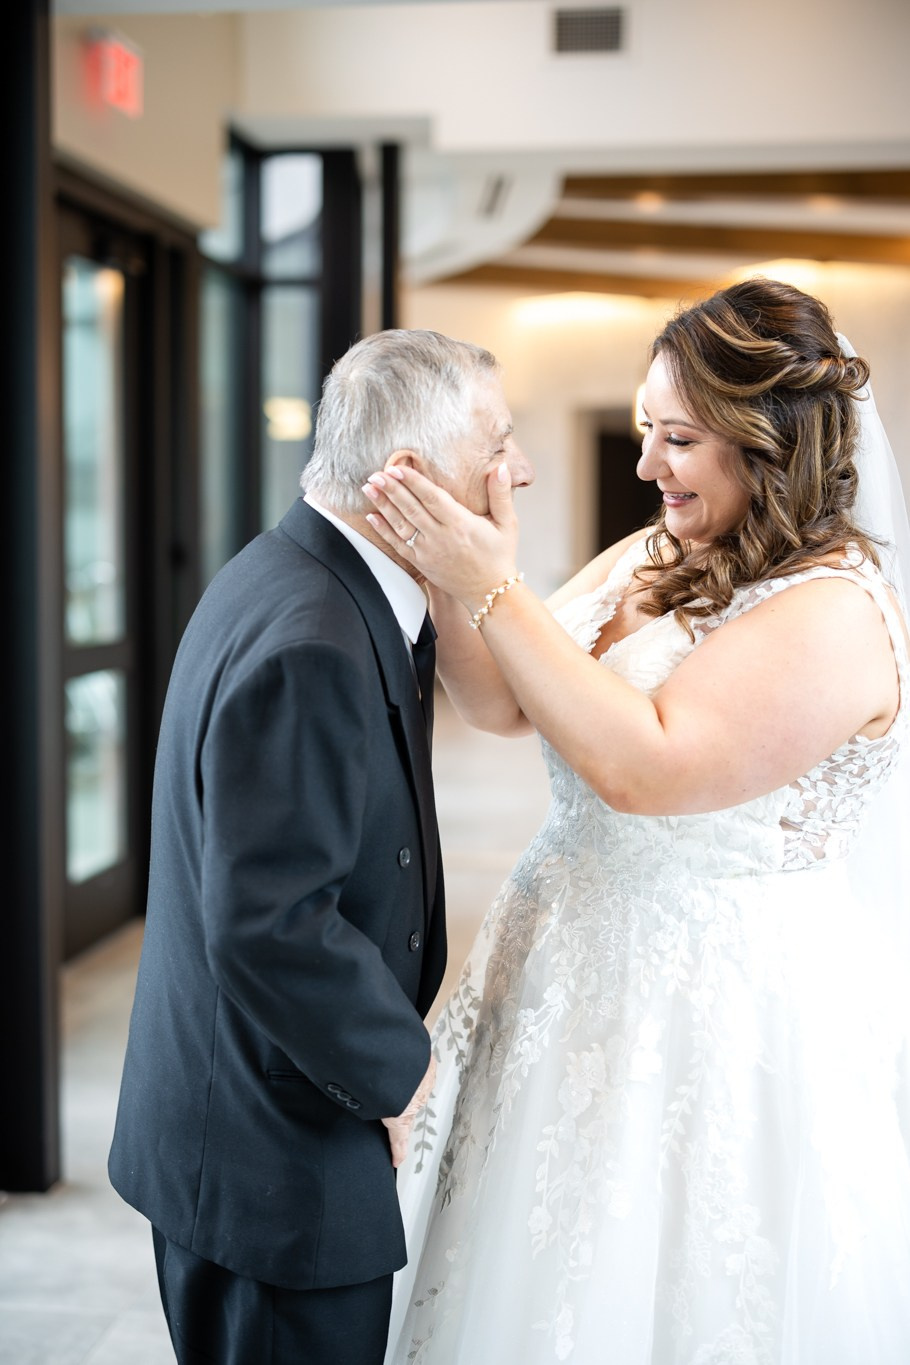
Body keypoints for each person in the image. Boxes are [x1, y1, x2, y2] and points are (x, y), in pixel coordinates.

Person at [362, 279, 910, 1363]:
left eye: (677, 439)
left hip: (703, 1016)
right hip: (561, 972)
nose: (645, 465)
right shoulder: (651, 556)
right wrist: (478, 562)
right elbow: (502, 701)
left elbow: (643, 765)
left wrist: (491, 585)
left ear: (771, 445)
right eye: (642, 431)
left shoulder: (835, 611)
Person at [108, 328, 534, 1365]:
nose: (514, 471)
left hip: (247, 1117)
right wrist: (404, 1078)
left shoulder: (297, 571)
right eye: (498, 442)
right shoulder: (314, 640)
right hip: (272, 1158)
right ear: (409, 476)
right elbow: (271, 928)